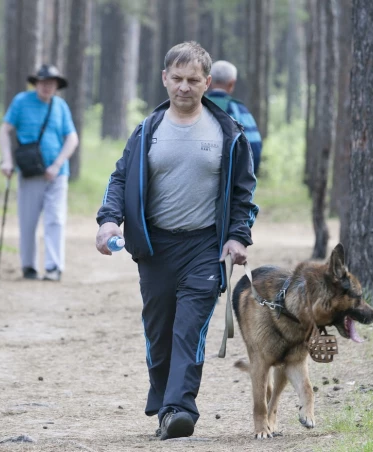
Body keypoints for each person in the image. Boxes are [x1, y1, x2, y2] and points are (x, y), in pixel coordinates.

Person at [95, 42, 258, 440]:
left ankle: (179, 409)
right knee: (159, 330)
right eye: (177, 79)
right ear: (165, 78)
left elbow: (243, 194)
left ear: (208, 83)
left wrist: (237, 237)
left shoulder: (228, 133)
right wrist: (108, 221)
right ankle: (163, 404)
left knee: (189, 329)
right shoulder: (147, 130)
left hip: (204, 248)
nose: (184, 87)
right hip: (154, 248)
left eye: (193, 80)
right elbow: (121, 179)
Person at [0, 64, 79, 282]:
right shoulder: (21, 102)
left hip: (57, 173)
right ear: (36, 83)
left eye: (52, 83)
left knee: (55, 219)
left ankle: (54, 267)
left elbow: (72, 138)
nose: (47, 87)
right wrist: (7, 160)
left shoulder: (60, 106)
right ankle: (29, 266)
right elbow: (5, 130)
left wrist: (56, 164)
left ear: (56, 86)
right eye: (43, 83)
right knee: (28, 220)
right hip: (29, 171)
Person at [207, 60, 263, 175]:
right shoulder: (239, 110)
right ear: (232, 83)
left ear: (210, 81)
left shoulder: (197, 106)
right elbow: (254, 148)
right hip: (231, 178)